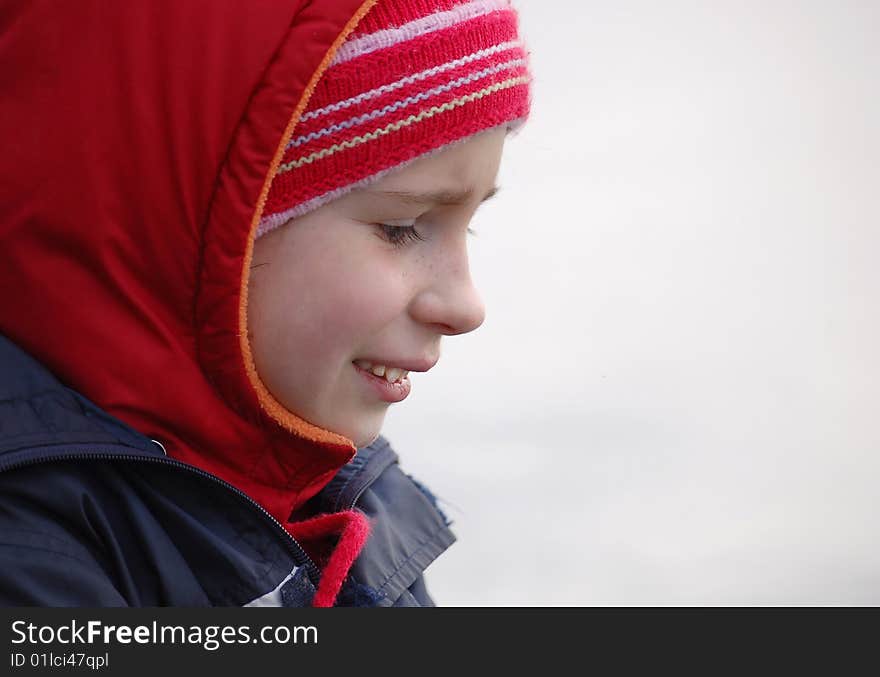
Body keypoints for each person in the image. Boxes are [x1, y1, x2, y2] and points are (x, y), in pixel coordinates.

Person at [0, 0, 531, 606]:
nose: (466, 306)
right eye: (403, 227)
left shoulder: (345, 506)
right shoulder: (30, 558)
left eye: (471, 225)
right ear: (191, 229)